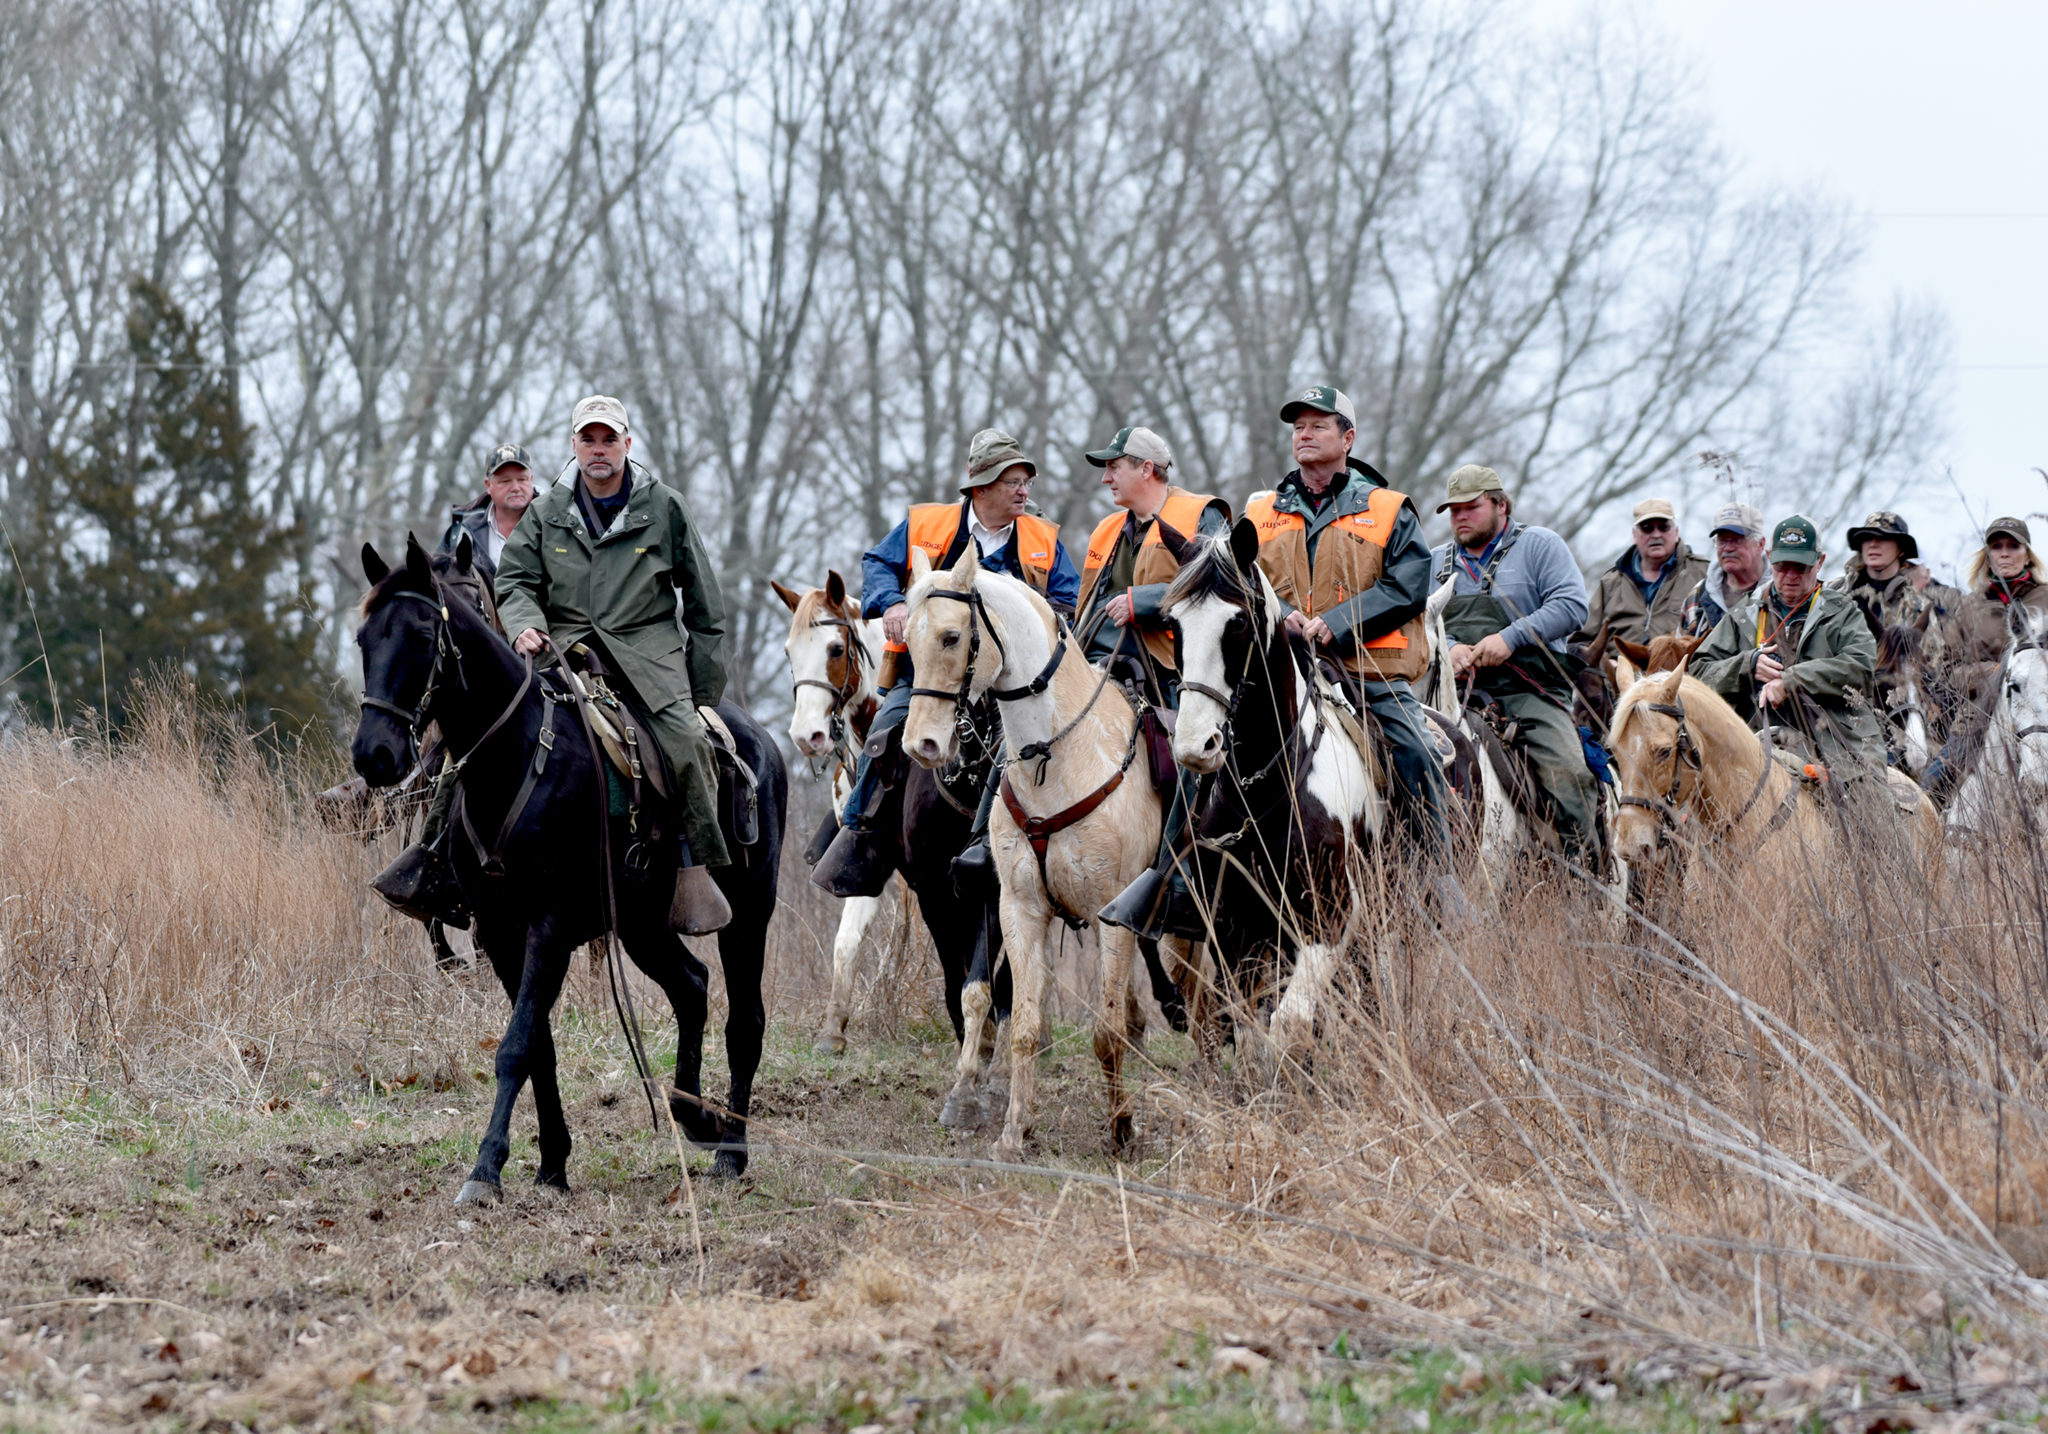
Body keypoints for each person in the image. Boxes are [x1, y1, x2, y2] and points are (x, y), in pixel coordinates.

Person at [495, 394, 735, 934]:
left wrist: (701, 695)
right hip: (564, 655)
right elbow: (514, 582)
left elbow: (705, 607)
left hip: (649, 661)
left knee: (689, 743)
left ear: (628, 444)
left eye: (609, 439)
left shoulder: (666, 507)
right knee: (479, 732)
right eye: (588, 439)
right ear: (574, 445)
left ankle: (696, 865)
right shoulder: (545, 512)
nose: (598, 450)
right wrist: (523, 624)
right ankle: (437, 859)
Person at [811, 428, 1081, 898]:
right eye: (1012, 482)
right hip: (928, 672)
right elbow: (877, 562)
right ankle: (857, 833)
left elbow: (1067, 602)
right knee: (884, 733)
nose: (1023, 491)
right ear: (981, 488)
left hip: (1007, 684)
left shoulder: (1043, 538)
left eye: (1026, 483)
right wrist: (891, 602)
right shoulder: (926, 524)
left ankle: (1028, 846)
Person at [1241, 386, 1469, 911]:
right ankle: (1179, 880)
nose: (1304, 434)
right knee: (1200, 743)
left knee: (1416, 748)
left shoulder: (1389, 509)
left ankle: (1436, 876)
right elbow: (1242, 574)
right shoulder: (1261, 510)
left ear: (1348, 437)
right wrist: (1281, 612)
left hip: (1369, 672)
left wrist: (1335, 624)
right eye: (1297, 426)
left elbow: (1408, 585)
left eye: (1318, 425)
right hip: (1281, 664)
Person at [1062, 425, 1231, 938]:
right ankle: (989, 839)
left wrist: (1147, 601)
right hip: (1097, 663)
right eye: (1106, 468)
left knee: (1196, 759)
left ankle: (1176, 875)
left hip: (1175, 668)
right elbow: (1085, 609)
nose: (1107, 476)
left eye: (1116, 465)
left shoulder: (1204, 515)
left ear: (1148, 469)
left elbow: (1220, 584)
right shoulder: (1107, 530)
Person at [1433, 464, 1603, 866]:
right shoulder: (1434, 562)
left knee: (1572, 778)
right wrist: (1450, 647)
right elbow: (1419, 621)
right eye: (1453, 510)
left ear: (1501, 505)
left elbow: (1572, 607)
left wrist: (1511, 638)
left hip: (1531, 693)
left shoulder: (1541, 545)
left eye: (1471, 507)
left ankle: (1589, 879)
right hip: (1454, 693)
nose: (1460, 517)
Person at [1691, 514, 1886, 777]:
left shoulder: (1843, 614)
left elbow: (1861, 668)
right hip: (1750, 743)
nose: (1791, 576)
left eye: (1801, 567)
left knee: (1870, 807)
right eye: (1783, 566)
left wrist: (1791, 680)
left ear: (1820, 562)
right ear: (1769, 557)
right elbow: (1697, 674)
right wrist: (1746, 666)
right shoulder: (1743, 615)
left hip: (1838, 748)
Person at [1920, 517, 2048, 803]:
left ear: (2027, 554)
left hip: (2041, 714)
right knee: (1930, 789)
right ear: (1987, 557)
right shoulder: (1970, 607)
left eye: (2013, 546)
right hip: (1978, 719)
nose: (2005, 553)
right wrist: (1993, 673)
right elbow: (1948, 672)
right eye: (1997, 546)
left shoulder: (2047, 598)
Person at [1575, 498, 1709, 647]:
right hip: (1617, 668)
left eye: (1663, 527)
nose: (1656, 535)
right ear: (1635, 535)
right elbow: (1580, 642)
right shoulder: (1611, 583)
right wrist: (1605, 662)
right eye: (1647, 528)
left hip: (1680, 668)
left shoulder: (1703, 573)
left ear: (1676, 532)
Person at [437, 443, 537, 587]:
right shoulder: (461, 534)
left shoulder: (554, 525)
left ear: (531, 480)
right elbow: (438, 585)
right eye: (505, 481)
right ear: (488, 485)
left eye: (522, 479)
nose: (515, 488)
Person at [1678, 502, 1769, 638]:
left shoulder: (1780, 593)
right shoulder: (1698, 596)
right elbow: (1681, 651)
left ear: (1760, 544)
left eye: (1737, 540)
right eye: (1722, 540)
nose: (1728, 548)